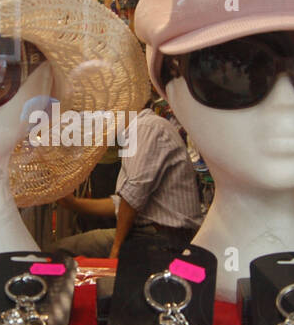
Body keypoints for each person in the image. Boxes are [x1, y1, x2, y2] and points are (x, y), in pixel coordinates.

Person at [55, 95, 202, 259]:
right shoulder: (139, 130)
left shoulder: (146, 127)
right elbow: (124, 202)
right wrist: (74, 204)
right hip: (152, 233)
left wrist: (117, 249)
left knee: (62, 250)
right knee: (66, 246)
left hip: (162, 239)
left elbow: (133, 195)